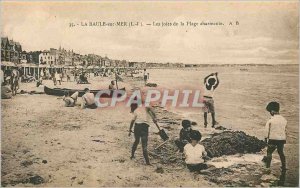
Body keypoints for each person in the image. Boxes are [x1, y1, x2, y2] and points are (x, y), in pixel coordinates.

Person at [263, 101, 287, 172]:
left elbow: (266, 130)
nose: (270, 113)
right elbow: (285, 130)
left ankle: (267, 166)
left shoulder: (271, 120)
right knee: (281, 152)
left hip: (272, 138)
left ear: (272, 111)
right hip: (282, 139)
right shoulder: (284, 119)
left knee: (269, 152)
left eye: (270, 111)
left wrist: (265, 138)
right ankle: (284, 166)